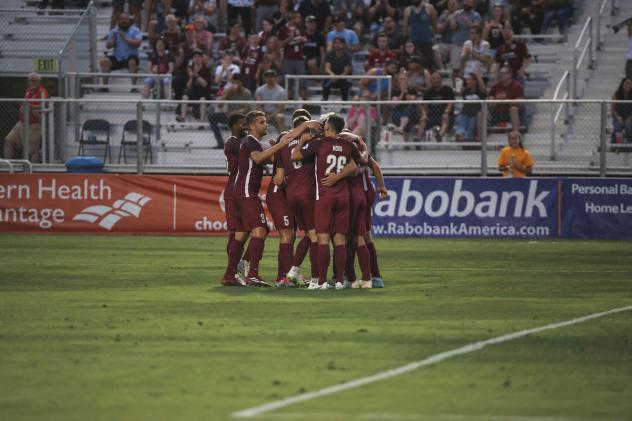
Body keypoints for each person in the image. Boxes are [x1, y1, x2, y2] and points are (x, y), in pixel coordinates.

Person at [290, 114, 366, 289]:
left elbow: (295, 156)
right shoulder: (348, 145)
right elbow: (359, 163)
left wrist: (302, 141)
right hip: (343, 197)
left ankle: (323, 282)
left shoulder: (320, 143)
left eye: (325, 126)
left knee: (323, 239)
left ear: (329, 128)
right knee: (340, 240)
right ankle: (339, 281)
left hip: (324, 197)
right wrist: (362, 146)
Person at [220, 111, 291, 287]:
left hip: (240, 192)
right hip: (245, 193)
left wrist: (279, 150)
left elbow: (266, 158)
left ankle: (229, 275)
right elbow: (258, 157)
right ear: (252, 126)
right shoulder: (250, 142)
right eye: (262, 122)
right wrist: (281, 144)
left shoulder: (252, 143)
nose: (266, 125)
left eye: (266, 121)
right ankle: (252, 275)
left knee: (241, 233)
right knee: (260, 230)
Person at [277, 109, 320, 287]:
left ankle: (293, 271)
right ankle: (316, 280)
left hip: (291, 195)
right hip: (307, 193)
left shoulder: (283, 144)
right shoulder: (311, 141)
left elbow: (279, 178)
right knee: (316, 235)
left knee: (310, 234)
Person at [221, 112, 248, 286]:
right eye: (243, 123)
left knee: (240, 231)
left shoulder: (239, 143)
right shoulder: (234, 143)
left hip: (238, 187)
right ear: (234, 126)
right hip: (234, 188)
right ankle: (233, 268)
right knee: (236, 232)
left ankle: (236, 264)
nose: (245, 126)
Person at [3, 73, 49, 163]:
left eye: (35, 81)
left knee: (32, 151)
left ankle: (31, 170)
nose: (33, 83)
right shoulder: (28, 91)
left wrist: (29, 106)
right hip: (22, 122)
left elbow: (43, 105)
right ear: (28, 81)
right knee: (9, 140)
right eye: (31, 80)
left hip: (34, 124)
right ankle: (8, 165)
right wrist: (24, 106)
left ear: (39, 82)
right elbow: (25, 103)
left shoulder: (42, 91)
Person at [209, 73, 255, 148]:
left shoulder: (246, 92)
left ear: (241, 83)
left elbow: (247, 109)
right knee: (211, 117)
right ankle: (220, 142)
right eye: (234, 83)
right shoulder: (229, 91)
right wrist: (226, 93)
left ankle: (241, 141)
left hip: (242, 117)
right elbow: (219, 105)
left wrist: (235, 112)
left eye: (238, 83)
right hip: (229, 116)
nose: (236, 85)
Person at [99, 13, 143, 92]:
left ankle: (134, 87)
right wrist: (114, 40)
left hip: (130, 57)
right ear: (119, 21)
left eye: (125, 19)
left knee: (132, 62)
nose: (123, 21)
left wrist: (124, 38)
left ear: (129, 20)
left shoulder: (135, 30)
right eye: (122, 19)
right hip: (117, 57)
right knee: (103, 61)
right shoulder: (114, 31)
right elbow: (107, 46)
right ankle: (104, 87)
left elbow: (138, 43)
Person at [449, 0, 481, 86]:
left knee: (468, 68)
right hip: (457, 44)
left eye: (469, 2)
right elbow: (452, 28)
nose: (467, 3)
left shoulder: (476, 15)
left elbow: (476, 26)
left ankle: (468, 88)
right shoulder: (457, 13)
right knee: (456, 68)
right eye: (466, 1)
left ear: (473, 3)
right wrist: (456, 22)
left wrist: (468, 23)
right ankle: (455, 89)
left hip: (470, 45)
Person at [417, 71, 455, 143]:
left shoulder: (447, 89)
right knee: (423, 120)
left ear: (441, 80)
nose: (436, 80)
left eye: (438, 78)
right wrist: (424, 115)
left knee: (445, 118)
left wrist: (446, 112)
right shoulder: (428, 92)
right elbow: (424, 106)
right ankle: (418, 140)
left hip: (445, 115)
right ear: (431, 81)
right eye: (434, 79)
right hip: (432, 115)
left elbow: (451, 102)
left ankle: (439, 136)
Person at [178, 48, 212, 122]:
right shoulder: (190, 69)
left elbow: (205, 84)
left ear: (202, 58)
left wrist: (195, 75)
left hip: (203, 92)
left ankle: (202, 120)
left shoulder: (206, 69)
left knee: (203, 100)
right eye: (195, 57)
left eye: (199, 56)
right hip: (193, 92)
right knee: (184, 96)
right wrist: (190, 77)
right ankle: (183, 117)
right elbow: (188, 86)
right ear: (192, 59)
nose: (197, 58)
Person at [402, 0, 437, 67]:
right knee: (414, 63)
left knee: (429, 63)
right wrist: (405, 40)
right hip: (414, 42)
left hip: (427, 41)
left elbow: (434, 22)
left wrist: (433, 35)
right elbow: (405, 27)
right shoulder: (407, 10)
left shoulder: (429, 7)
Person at [488, 65, 524, 130]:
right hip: (497, 113)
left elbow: (519, 102)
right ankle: (481, 137)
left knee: (513, 109)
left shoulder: (517, 86)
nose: (501, 75)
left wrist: (505, 100)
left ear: (510, 74)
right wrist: (497, 100)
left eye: (503, 73)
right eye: (500, 73)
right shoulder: (495, 87)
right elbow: (490, 103)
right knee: (482, 112)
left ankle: (516, 133)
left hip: (510, 114)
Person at [455, 69, 486, 142]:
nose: (467, 82)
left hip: (475, 115)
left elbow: (483, 89)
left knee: (470, 128)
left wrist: (478, 76)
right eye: (467, 80)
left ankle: (466, 138)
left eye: (469, 80)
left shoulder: (480, 91)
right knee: (460, 128)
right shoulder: (465, 91)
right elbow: (459, 91)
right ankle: (460, 135)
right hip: (465, 114)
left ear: (475, 81)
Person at [322, 37, 353, 101]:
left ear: (344, 45)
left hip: (342, 78)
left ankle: (344, 103)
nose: (337, 45)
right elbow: (327, 68)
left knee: (344, 83)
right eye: (335, 43)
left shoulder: (348, 56)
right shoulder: (329, 55)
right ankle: (324, 101)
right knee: (326, 82)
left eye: (339, 43)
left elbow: (346, 72)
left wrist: (337, 77)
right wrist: (332, 75)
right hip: (332, 78)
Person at [611, 77, 632, 144]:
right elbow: (613, 110)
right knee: (618, 127)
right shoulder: (616, 95)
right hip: (618, 116)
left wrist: (629, 118)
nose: (628, 85)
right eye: (626, 83)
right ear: (622, 84)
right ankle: (616, 146)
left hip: (630, 117)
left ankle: (629, 144)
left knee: (629, 127)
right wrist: (618, 117)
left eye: (630, 83)